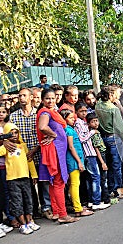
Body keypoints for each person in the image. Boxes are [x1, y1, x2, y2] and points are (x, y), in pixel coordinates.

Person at [36, 89, 79, 224]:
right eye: (47, 98)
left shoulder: (52, 112)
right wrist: (54, 135)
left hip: (55, 150)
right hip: (54, 151)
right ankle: (62, 214)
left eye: (53, 98)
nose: (51, 101)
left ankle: (56, 212)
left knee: (54, 182)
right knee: (58, 182)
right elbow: (42, 127)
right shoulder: (45, 112)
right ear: (42, 100)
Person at [10, 88, 52, 220]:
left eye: (24, 95)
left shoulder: (38, 114)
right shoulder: (13, 116)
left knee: (43, 181)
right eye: (20, 96)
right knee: (28, 184)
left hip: (39, 152)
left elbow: (45, 135)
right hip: (22, 157)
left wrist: (35, 149)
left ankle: (46, 207)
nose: (21, 98)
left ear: (31, 97)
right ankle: (33, 210)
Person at [0, 123, 40, 235]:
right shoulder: (6, 147)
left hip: (25, 178)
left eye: (16, 132)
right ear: (6, 134)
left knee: (29, 200)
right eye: (11, 133)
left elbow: (30, 161)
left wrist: (34, 175)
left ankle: (29, 221)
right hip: (13, 179)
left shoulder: (23, 146)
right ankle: (22, 224)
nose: (14, 135)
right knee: (17, 202)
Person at [95, 87, 123, 199]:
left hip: (103, 137)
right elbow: (119, 127)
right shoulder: (113, 108)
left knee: (109, 164)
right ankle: (118, 189)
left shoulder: (98, 106)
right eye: (115, 94)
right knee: (117, 165)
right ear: (110, 95)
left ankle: (110, 189)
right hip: (114, 138)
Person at [74, 102, 109, 211]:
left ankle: (91, 201)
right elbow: (82, 139)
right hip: (89, 154)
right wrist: (92, 132)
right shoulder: (78, 124)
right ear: (76, 112)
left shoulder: (84, 123)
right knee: (95, 177)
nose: (84, 113)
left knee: (91, 178)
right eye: (81, 111)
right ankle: (96, 201)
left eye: (85, 111)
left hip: (90, 154)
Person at [60, 109, 93, 217]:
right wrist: (79, 161)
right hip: (73, 160)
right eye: (70, 118)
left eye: (73, 117)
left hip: (74, 159)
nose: (73, 119)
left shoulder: (69, 129)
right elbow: (71, 146)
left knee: (75, 184)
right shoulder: (68, 130)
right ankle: (78, 208)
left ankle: (77, 205)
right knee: (74, 184)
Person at [0, 103, 19, 228]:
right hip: (0, 162)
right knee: (5, 192)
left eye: (3, 112)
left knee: (15, 191)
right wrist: (5, 140)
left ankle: (19, 214)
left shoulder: (9, 125)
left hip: (14, 160)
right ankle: (10, 216)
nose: (1, 114)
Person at [86, 113, 110, 205]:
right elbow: (97, 149)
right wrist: (102, 162)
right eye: (93, 122)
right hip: (101, 156)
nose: (96, 123)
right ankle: (105, 198)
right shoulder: (93, 134)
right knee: (103, 178)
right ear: (88, 124)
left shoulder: (97, 131)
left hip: (102, 155)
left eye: (96, 121)